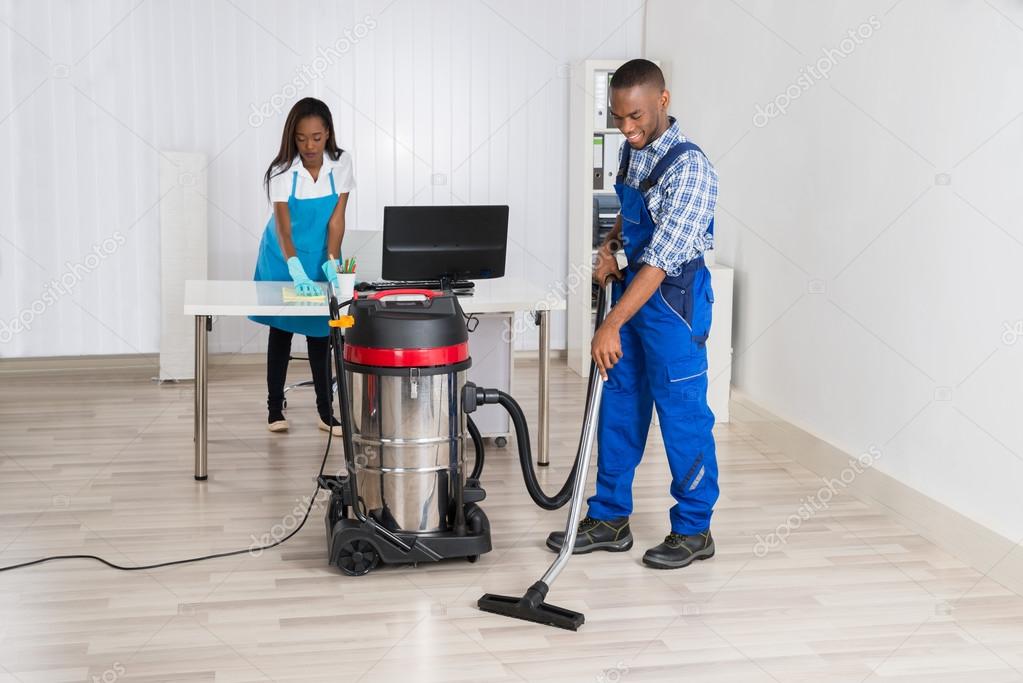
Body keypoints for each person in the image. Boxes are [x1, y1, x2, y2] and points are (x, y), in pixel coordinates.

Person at [547, 59, 719, 569]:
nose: (626, 128)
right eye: (618, 117)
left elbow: (662, 261)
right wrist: (610, 244)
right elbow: (631, 208)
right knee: (619, 406)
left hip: (674, 306)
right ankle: (609, 518)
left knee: (682, 415)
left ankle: (694, 528)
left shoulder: (691, 169)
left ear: (663, 101)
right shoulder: (633, 149)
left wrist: (611, 323)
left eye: (636, 116)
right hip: (633, 293)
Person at [250, 97, 355, 436]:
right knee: (281, 330)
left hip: (320, 255)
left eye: (316, 137)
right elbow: (283, 229)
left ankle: (326, 412)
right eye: (301, 138)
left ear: (328, 134)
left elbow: (337, 220)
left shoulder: (341, 164)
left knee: (321, 332)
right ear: (291, 137)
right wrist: (295, 268)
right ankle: (274, 409)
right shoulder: (281, 171)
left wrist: (332, 261)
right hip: (283, 258)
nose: (309, 146)